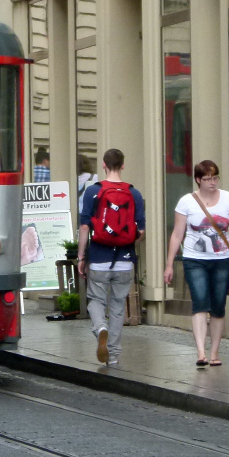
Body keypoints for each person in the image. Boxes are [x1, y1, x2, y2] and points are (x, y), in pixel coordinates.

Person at [163, 160, 229, 367]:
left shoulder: (228, 199)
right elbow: (177, 234)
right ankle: (201, 352)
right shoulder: (186, 202)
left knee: (218, 305)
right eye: (207, 178)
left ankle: (215, 351)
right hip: (194, 260)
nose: (212, 182)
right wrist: (169, 264)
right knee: (200, 302)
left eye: (215, 177)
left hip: (222, 259)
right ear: (198, 180)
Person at [77, 149, 145, 366]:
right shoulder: (134, 194)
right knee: (117, 306)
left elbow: (85, 227)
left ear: (104, 165)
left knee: (95, 300)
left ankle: (100, 328)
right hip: (125, 260)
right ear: (123, 165)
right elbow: (141, 232)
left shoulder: (93, 192)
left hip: (98, 257)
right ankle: (113, 356)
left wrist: (81, 257)